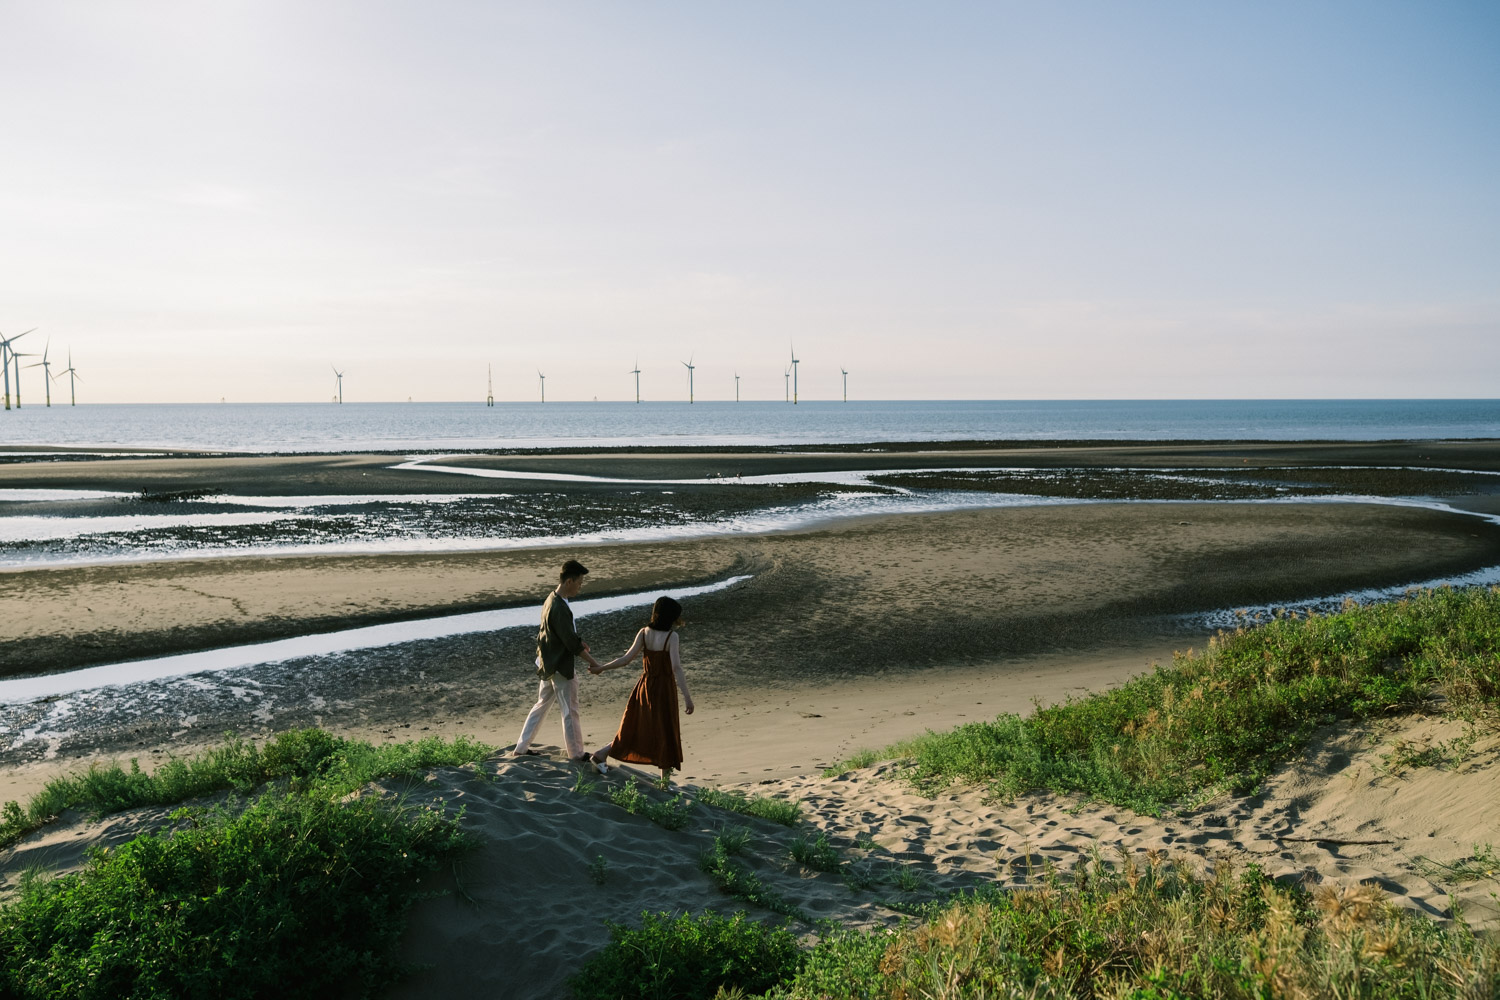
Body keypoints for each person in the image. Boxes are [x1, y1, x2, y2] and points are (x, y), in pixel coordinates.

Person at [587, 595, 695, 783]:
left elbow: (625, 659)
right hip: (663, 690)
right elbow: (676, 667)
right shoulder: (672, 637)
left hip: (644, 688)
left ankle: (601, 754)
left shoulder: (644, 632)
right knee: (665, 731)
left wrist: (601, 668)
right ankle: (664, 783)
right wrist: (687, 697)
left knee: (635, 728)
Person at [513, 559, 600, 761]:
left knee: (542, 704)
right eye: (579, 583)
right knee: (570, 710)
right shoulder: (559, 606)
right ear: (569, 581)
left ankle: (521, 748)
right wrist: (594, 663)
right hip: (559, 665)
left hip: (547, 662)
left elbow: (560, 635)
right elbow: (571, 644)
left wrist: (580, 642)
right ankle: (576, 754)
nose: (580, 587)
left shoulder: (551, 599)